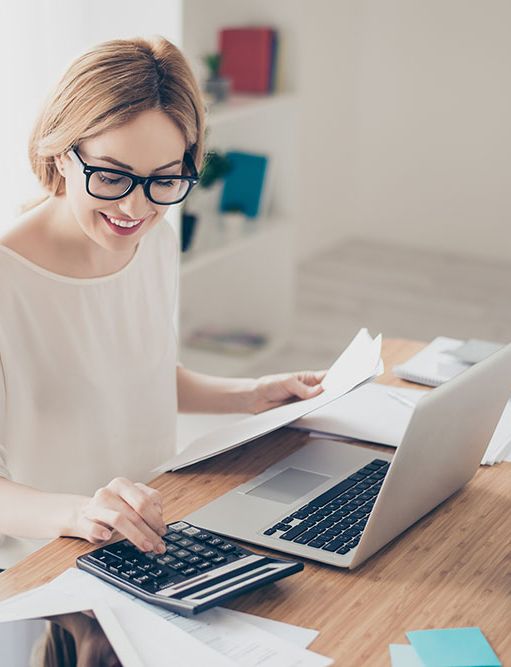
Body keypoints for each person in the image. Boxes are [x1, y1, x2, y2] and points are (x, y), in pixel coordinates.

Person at [0, 36, 325, 570]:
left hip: (157, 540)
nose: (135, 206)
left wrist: (252, 394)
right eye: (110, 175)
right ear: (60, 152)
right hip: (50, 563)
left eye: (164, 179)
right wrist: (81, 514)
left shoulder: (155, 241)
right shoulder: (9, 281)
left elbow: (139, 378)